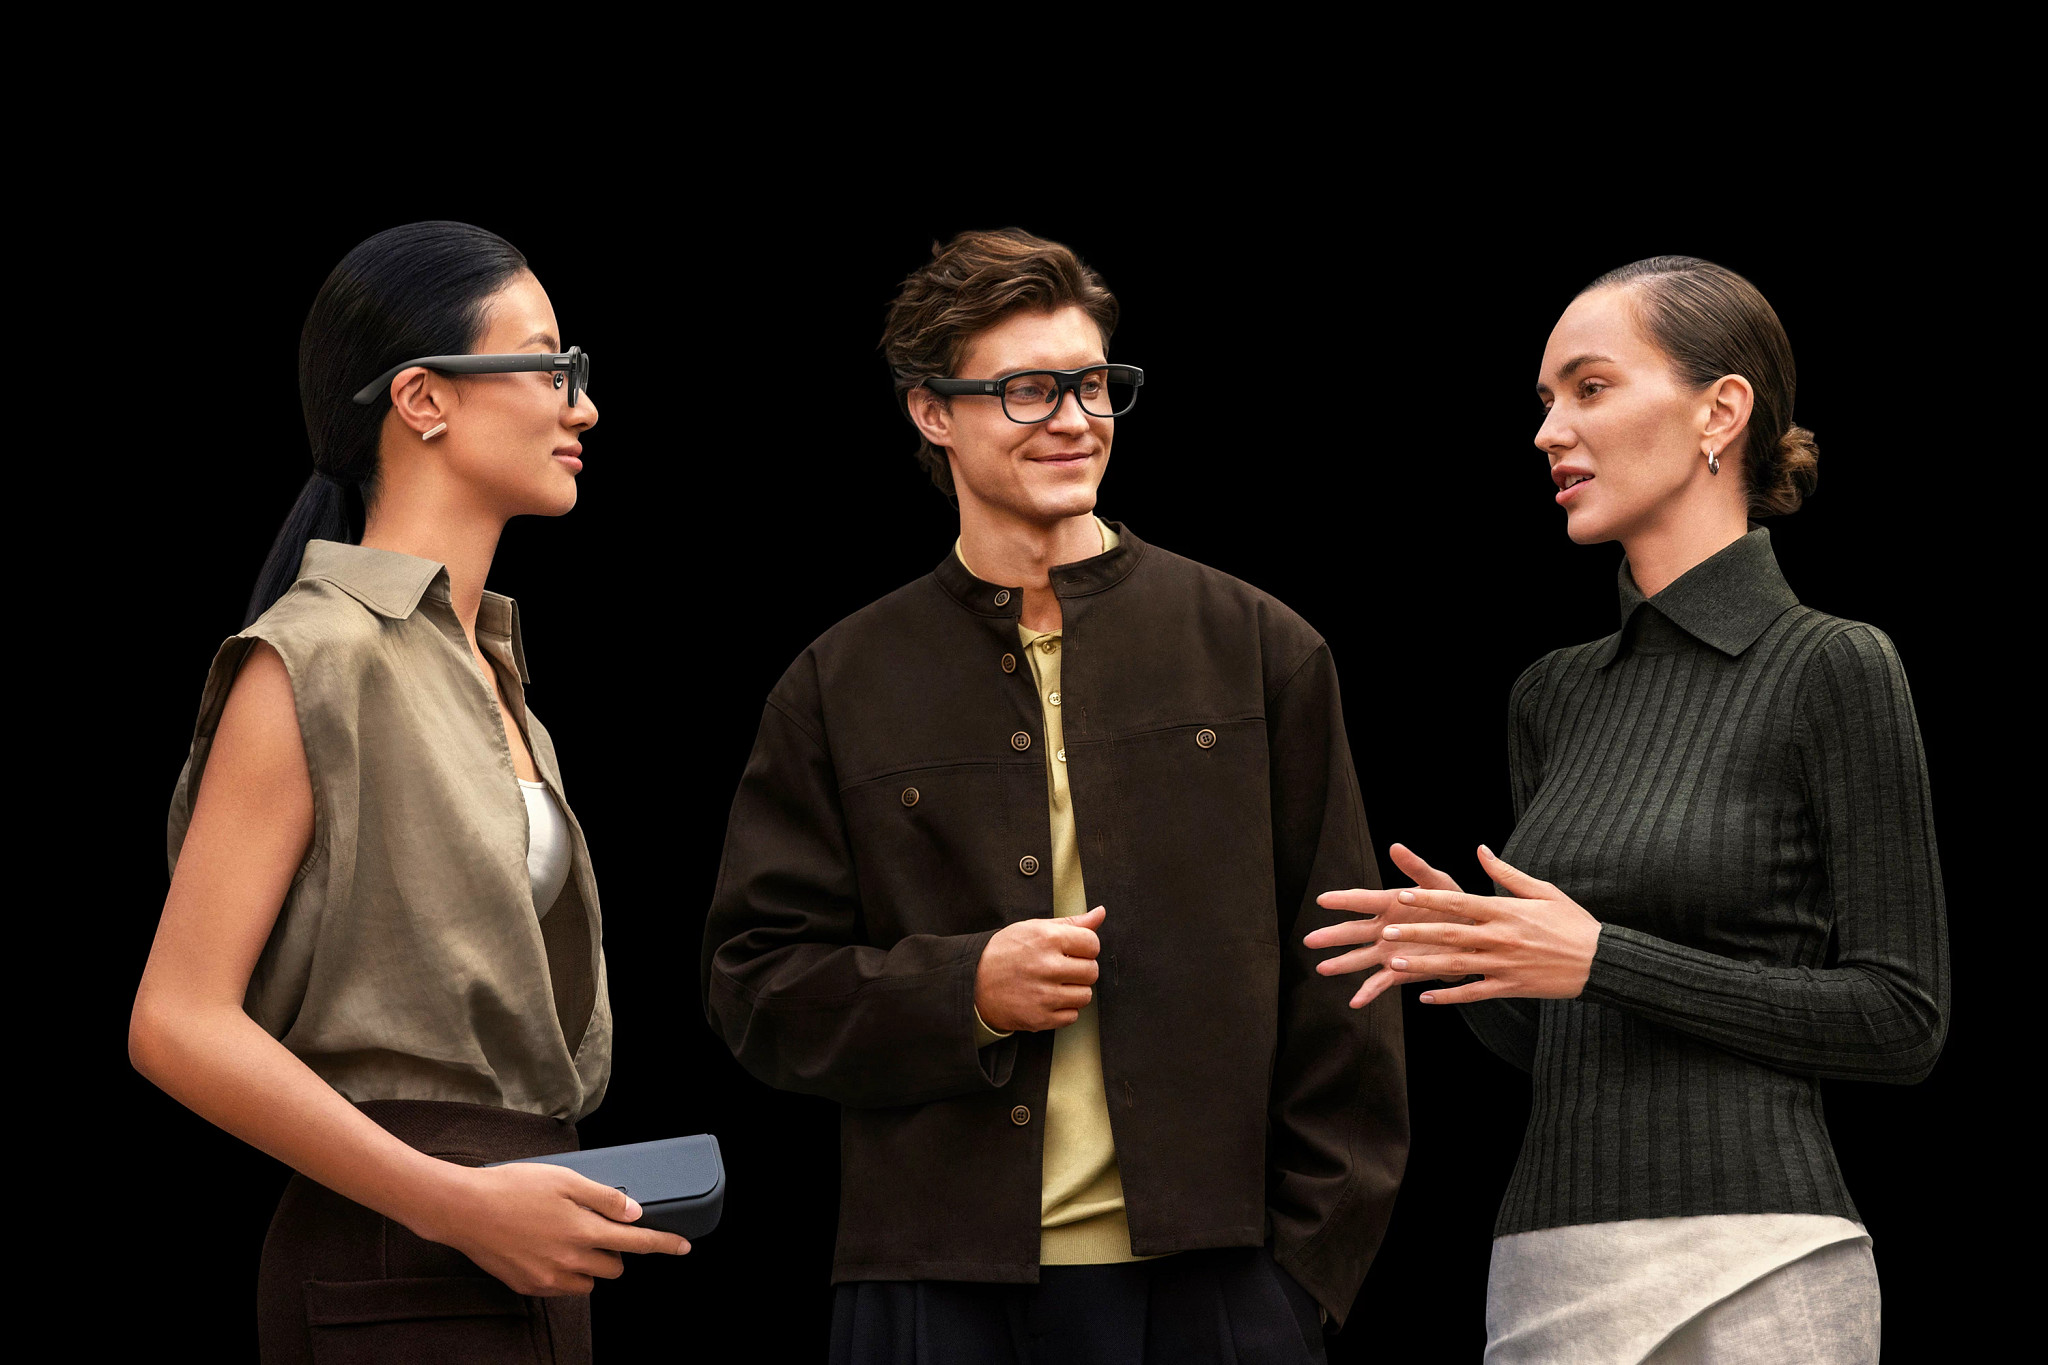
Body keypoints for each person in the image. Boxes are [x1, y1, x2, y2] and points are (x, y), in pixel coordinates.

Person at [701, 228, 1407, 1364]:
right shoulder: (837, 683)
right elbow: (753, 988)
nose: (1074, 420)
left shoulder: (1260, 650)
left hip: (1217, 1286)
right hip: (934, 1286)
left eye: (1091, 385)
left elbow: (1347, 970)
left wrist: (1301, 1275)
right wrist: (962, 989)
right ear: (932, 411)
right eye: (1028, 390)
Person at [1307, 255, 1948, 1363]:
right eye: (1544, 402)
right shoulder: (1551, 694)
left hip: (1754, 1259)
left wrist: (1597, 957)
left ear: (1720, 410)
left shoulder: (1830, 666)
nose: (1548, 431)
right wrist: (1472, 955)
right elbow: (1562, 1036)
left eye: (1588, 389)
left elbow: (1901, 1020)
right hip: (1548, 1260)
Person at [129, 220, 686, 1365]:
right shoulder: (311, 659)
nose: (582, 408)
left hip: (520, 1243)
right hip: (393, 1253)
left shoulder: (499, 678)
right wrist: (447, 1200)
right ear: (423, 399)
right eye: (548, 365)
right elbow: (175, 1023)